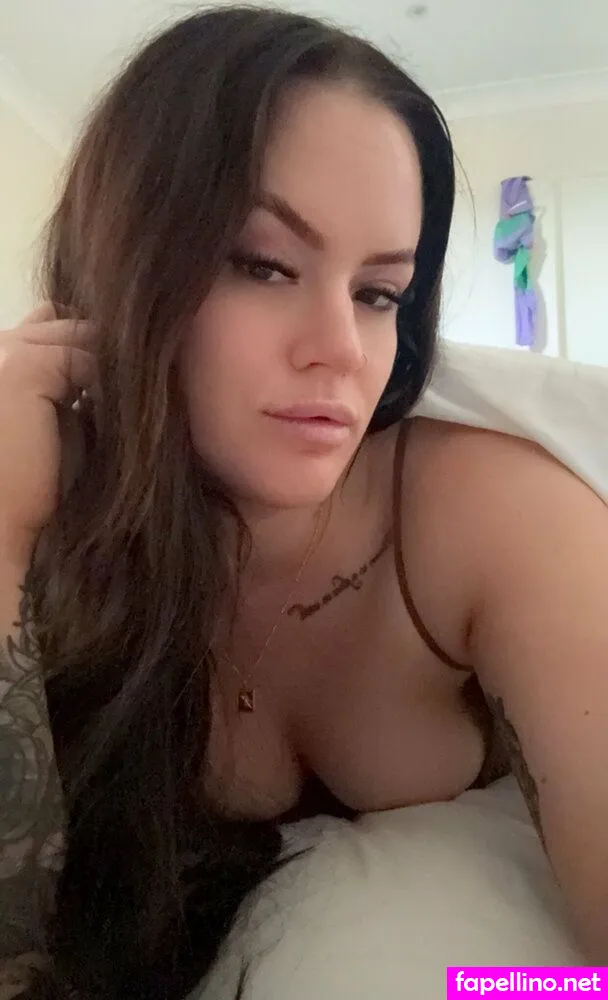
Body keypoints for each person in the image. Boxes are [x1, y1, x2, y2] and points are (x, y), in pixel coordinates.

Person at [1, 5, 607, 998]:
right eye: (263, 265)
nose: (340, 349)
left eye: (379, 293)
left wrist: (504, 987)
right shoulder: (55, 514)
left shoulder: (490, 504)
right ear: (124, 272)